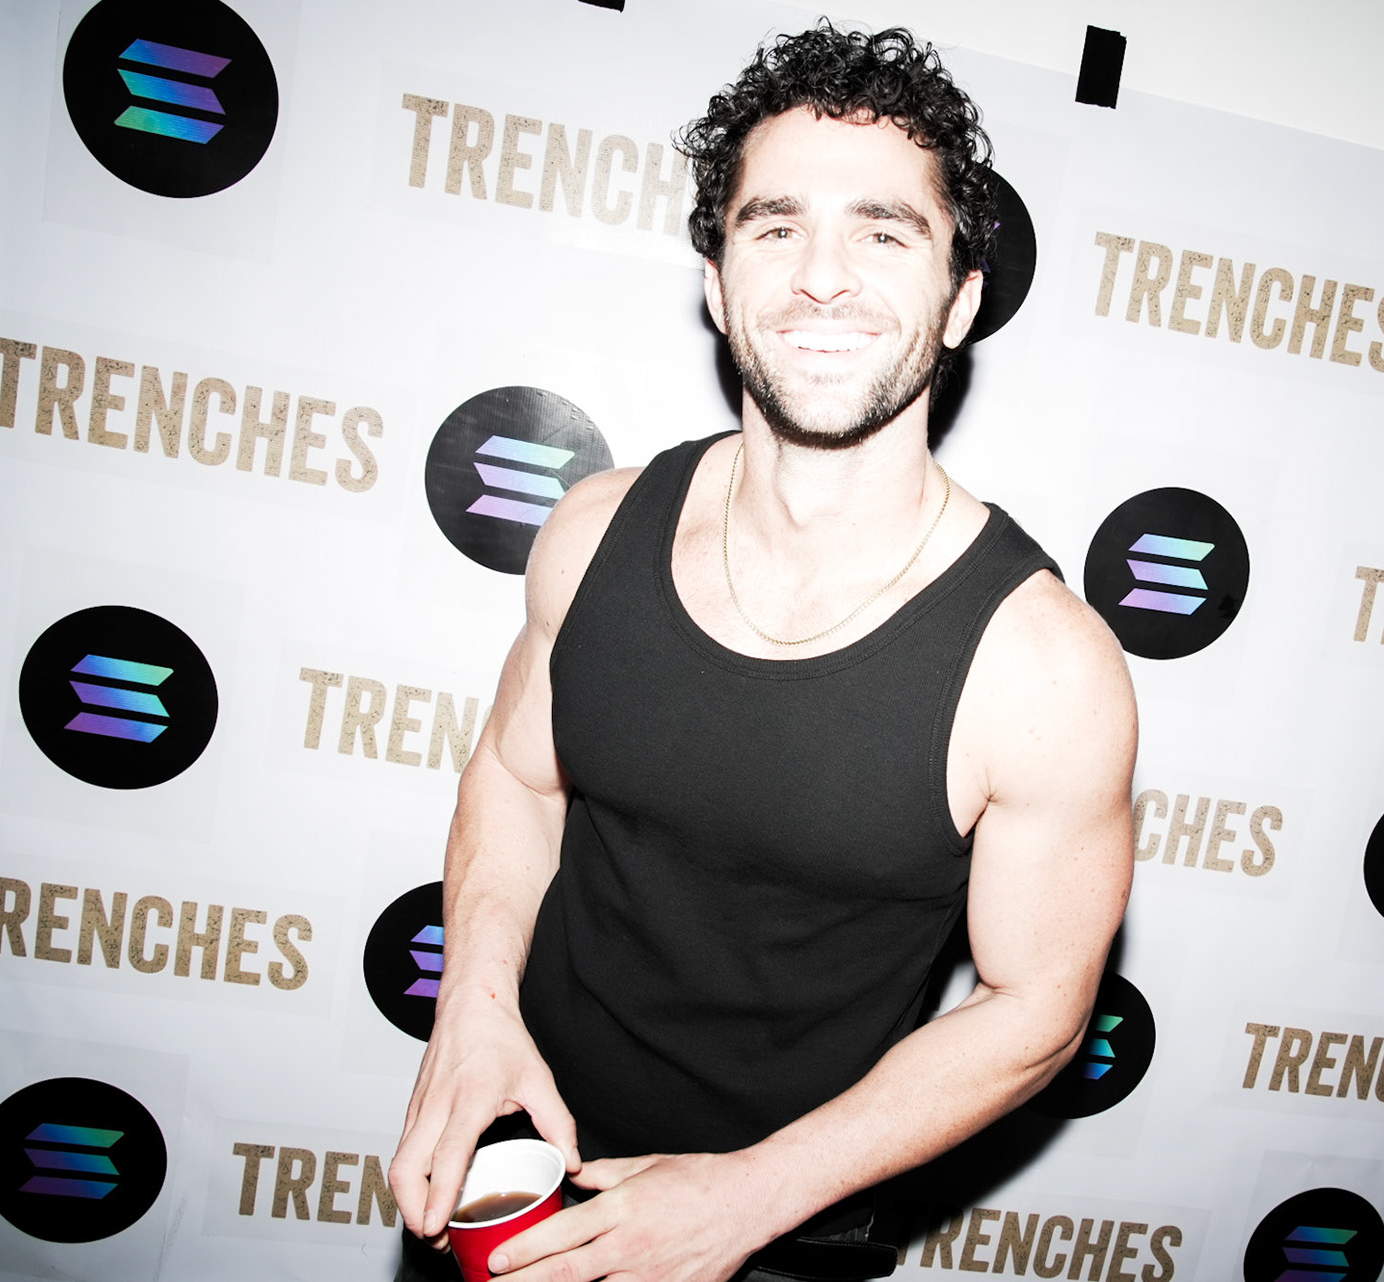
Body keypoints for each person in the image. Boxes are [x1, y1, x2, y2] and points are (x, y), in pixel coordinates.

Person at [388, 23, 1137, 1282]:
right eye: (776, 226)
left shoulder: (1043, 670)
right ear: (717, 278)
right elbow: (517, 779)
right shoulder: (593, 533)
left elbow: (1037, 1011)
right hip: (518, 1158)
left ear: (961, 299)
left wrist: (746, 1201)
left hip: (786, 1224)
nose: (823, 278)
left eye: (885, 233)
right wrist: (473, 1009)